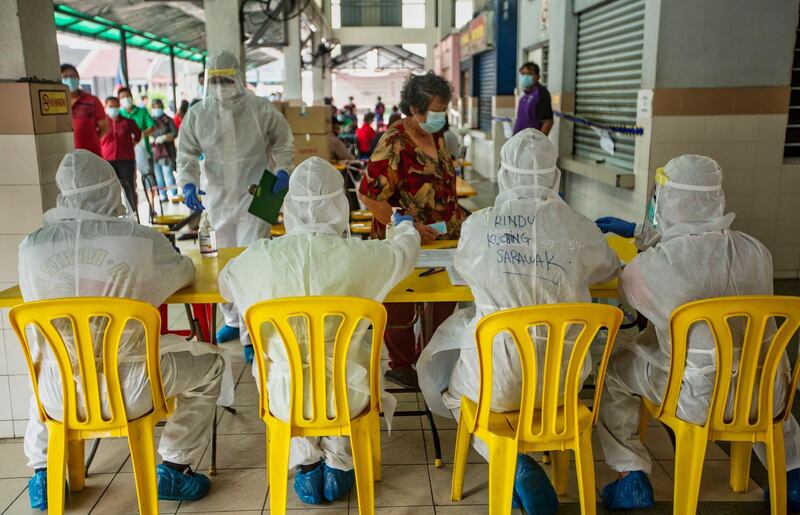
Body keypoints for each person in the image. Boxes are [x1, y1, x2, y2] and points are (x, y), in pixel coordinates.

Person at [416, 129, 619, 514]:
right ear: (554, 176)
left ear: (504, 174)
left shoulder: (480, 226)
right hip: (563, 384)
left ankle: (510, 461)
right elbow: (608, 266)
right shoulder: (578, 226)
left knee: (454, 391)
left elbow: (465, 269)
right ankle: (528, 460)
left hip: (499, 382)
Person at [20, 150, 225, 510]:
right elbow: (183, 274)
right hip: (133, 387)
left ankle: (43, 472)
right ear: (111, 191)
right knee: (211, 363)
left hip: (60, 396)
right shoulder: (139, 241)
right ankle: (176, 466)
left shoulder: (32, 247)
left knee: (47, 363)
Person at [594, 154, 800, 511]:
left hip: (699, 398)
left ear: (669, 200)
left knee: (614, 365)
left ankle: (632, 475)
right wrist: (644, 234)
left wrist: (643, 240)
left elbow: (633, 290)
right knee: (755, 368)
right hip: (768, 394)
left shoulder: (658, 266)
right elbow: (701, 249)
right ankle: (793, 474)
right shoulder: (756, 251)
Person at [219, 157, 420, 505]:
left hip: (284, 397)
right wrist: (404, 226)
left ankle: (307, 463)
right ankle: (340, 461)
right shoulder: (363, 256)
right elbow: (404, 253)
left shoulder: (259, 257)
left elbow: (225, 285)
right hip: (350, 394)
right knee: (344, 366)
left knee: (287, 368)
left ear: (290, 207)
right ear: (340, 204)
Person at [177, 50, 294, 361]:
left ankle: (251, 333)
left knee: (253, 263)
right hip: (218, 198)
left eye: (226, 79)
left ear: (238, 78)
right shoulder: (198, 114)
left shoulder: (259, 108)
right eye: (215, 80)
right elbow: (185, 154)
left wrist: (283, 169)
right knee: (222, 264)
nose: (221, 85)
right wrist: (187, 182)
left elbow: (283, 140)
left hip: (258, 195)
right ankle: (231, 319)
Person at [358, 71, 464, 388]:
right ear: (414, 109)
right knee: (402, 305)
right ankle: (402, 364)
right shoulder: (393, 143)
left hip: (444, 237)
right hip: (405, 239)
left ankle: (432, 357)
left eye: (444, 108)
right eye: (435, 109)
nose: (440, 116)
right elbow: (368, 194)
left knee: (444, 301)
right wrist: (405, 223)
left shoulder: (439, 136)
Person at [100, 96, 142, 212]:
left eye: (115, 106)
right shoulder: (103, 124)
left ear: (119, 107)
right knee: (110, 190)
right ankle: (114, 215)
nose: (113, 108)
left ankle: (134, 214)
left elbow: (138, 135)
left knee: (129, 188)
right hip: (107, 161)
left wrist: (130, 145)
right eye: (110, 106)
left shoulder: (128, 122)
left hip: (126, 160)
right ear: (106, 107)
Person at [61, 64, 108, 156]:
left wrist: (90, 141)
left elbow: (104, 127)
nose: (70, 79)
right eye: (65, 77)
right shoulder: (55, 102)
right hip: (64, 155)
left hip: (90, 154)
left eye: (72, 76)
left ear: (78, 78)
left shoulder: (92, 101)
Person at [118, 87, 155, 202]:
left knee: (148, 178)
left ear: (132, 97)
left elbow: (152, 126)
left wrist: (140, 135)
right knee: (130, 182)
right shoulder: (119, 115)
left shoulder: (141, 112)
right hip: (126, 154)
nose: (126, 99)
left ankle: (152, 207)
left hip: (143, 149)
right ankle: (134, 210)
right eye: (122, 97)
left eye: (127, 96)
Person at [150, 99, 179, 201]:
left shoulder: (168, 119)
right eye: (155, 107)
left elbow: (175, 132)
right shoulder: (150, 120)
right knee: (158, 175)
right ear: (152, 108)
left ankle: (174, 193)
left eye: (159, 107)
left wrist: (165, 137)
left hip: (167, 151)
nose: (157, 109)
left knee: (168, 173)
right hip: (154, 152)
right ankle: (162, 194)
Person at [513, 62, 553, 136]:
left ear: (537, 76)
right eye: (523, 74)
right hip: (519, 140)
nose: (525, 76)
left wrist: (539, 142)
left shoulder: (541, 93)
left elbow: (548, 122)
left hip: (532, 142)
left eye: (529, 74)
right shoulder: (524, 96)